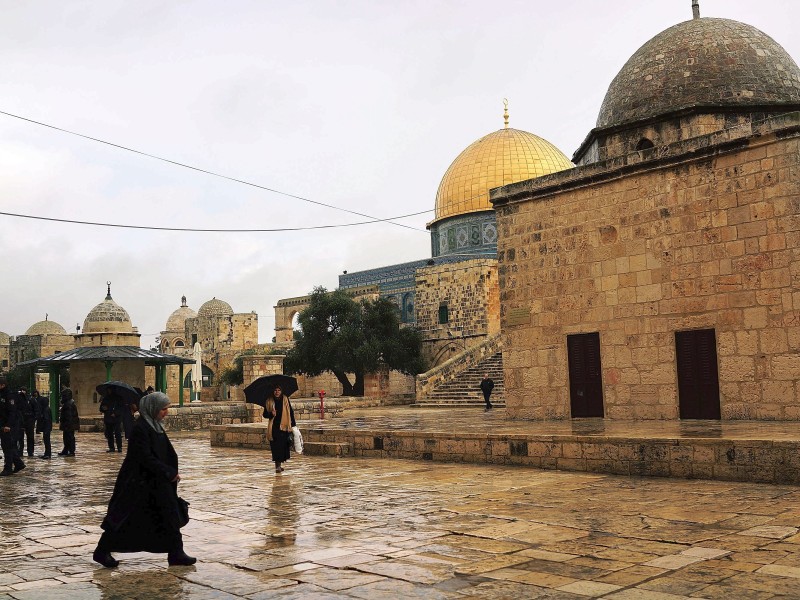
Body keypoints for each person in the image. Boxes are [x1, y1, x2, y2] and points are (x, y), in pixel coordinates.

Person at [93, 392, 195, 568]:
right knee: (125, 518)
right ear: (153, 408)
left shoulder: (155, 426)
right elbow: (144, 457)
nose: (166, 412)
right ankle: (102, 551)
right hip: (140, 483)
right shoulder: (140, 428)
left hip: (157, 481)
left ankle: (176, 553)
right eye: (163, 409)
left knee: (169, 516)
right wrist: (168, 472)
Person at [264, 385, 295, 474]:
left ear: (281, 391)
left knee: (283, 447)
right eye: (275, 390)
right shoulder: (269, 401)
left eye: (279, 390)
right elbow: (265, 414)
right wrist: (271, 414)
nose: (277, 392)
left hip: (284, 427)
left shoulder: (285, 399)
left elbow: (290, 412)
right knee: (276, 447)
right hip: (274, 427)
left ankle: (279, 465)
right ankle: (277, 466)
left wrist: (293, 425)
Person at [0, 376, 25, 476]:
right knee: (7, 446)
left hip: (9, 425)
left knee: (7, 447)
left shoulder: (9, 395)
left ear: (3, 385)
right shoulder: (1, 394)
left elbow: (12, 412)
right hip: (2, 424)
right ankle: (19, 464)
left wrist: (8, 425)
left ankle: (8, 468)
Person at [57, 388, 80, 456]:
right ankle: (66, 450)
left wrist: (67, 424)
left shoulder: (69, 404)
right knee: (66, 438)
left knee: (70, 437)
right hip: (68, 424)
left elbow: (69, 416)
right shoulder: (68, 403)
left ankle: (71, 451)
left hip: (69, 424)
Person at [16, 388, 36, 457]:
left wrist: (33, 419)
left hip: (29, 420)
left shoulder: (31, 399)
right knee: (19, 437)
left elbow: (36, 410)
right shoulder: (18, 400)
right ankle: (20, 451)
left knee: (30, 437)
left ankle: (30, 452)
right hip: (20, 421)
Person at [34, 390, 53, 459]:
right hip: (47, 428)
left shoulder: (45, 410)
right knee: (46, 441)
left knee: (47, 441)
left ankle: (48, 454)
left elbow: (46, 419)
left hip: (47, 428)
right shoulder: (46, 409)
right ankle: (46, 453)